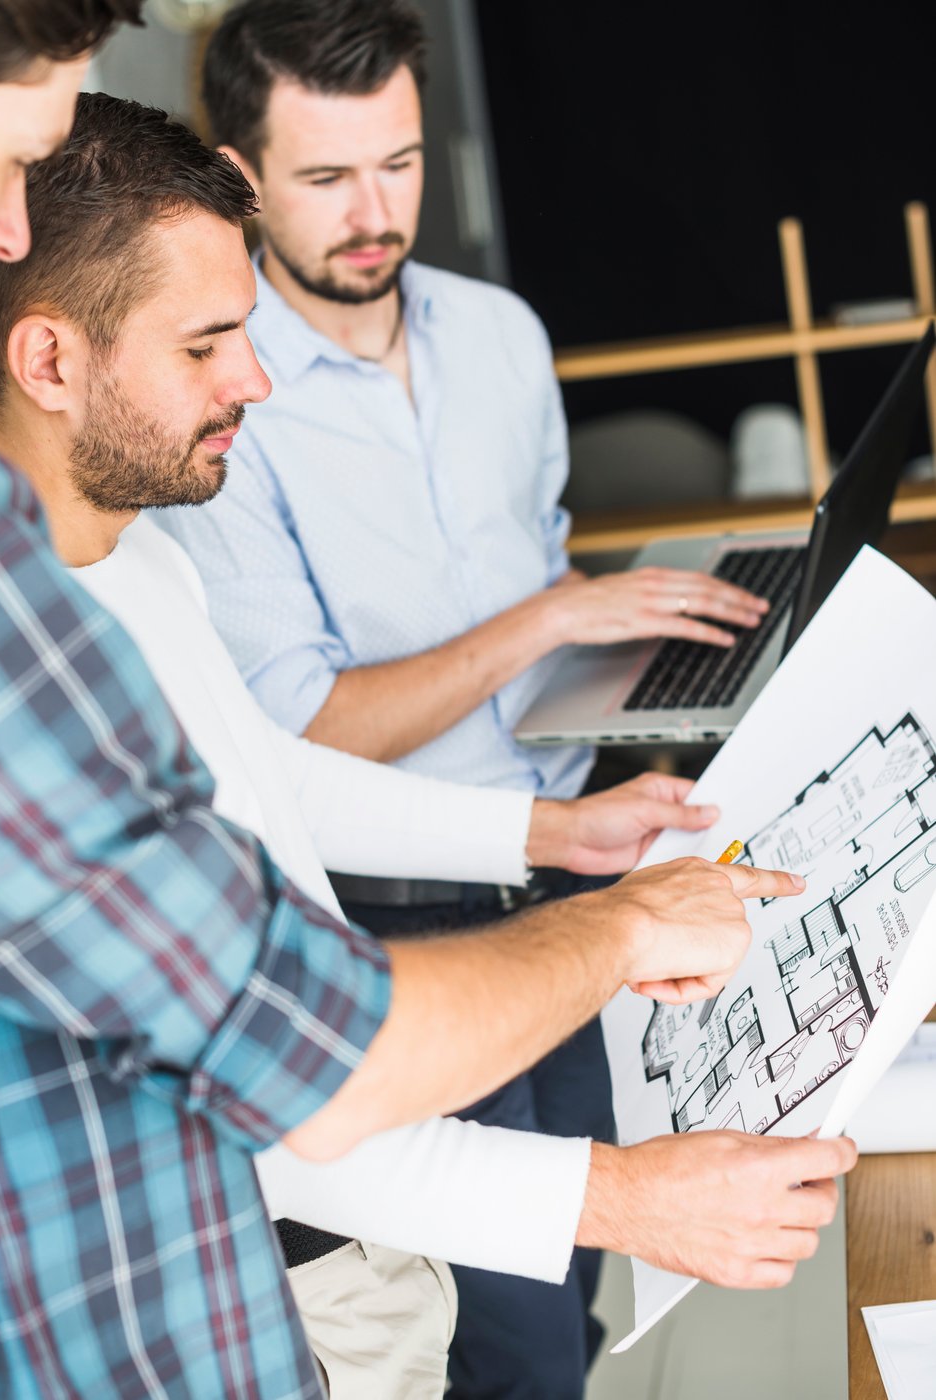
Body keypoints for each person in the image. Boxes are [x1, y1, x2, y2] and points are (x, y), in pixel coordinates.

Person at [0, 7, 853, 1395]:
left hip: (355, 1231)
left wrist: (543, 837)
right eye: (208, 346)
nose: (256, 379)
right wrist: (626, 1186)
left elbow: (267, 773)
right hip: (266, 1273)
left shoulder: (141, 558)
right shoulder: (4, 641)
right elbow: (283, 1078)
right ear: (49, 363)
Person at [158, 2, 772, 1391]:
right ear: (240, 177)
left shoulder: (499, 333)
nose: (376, 214)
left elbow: (542, 593)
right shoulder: (221, 401)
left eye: (400, 163)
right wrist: (547, 618)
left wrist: (640, 647)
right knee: (512, 1349)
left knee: (581, 1300)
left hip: (568, 874)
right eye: (328, 177)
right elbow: (302, 732)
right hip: (400, 929)